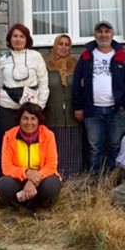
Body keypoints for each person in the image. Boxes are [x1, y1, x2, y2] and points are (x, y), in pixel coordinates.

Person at [72, 20, 125, 173]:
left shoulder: (122, 55)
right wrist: (78, 106)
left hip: (117, 110)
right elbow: (77, 82)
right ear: (95, 35)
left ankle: (114, 180)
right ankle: (95, 181)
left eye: (107, 31)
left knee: (116, 146)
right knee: (95, 147)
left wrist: (124, 103)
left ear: (112, 34)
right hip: (92, 110)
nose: (103, 35)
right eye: (100, 31)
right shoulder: (86, 55)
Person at [0, 102, 61, 211]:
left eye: (33, 118)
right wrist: (26, 173)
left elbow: (51, 166)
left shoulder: (48, 135)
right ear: (19, 120)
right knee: (5, 184)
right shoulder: (9, 136)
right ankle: (16, 207)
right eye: (25, 118)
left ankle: (41, 207)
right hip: (18, 179)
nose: (29, 123)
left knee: (52, 184)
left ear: (38, 121)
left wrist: (32, 181)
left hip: (41, 179)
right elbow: (6, 167)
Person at [0, 24, 49, 142]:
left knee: (31, 142)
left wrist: (40, 106)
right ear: (10, 39)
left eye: (22, 36)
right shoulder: (3, 59)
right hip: (7, 107)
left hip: (31, 107)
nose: (18, 39)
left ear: (27, 39)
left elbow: (43, 82)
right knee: (8, 141)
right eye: (15, 36)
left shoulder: (36, 57)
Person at [45, 34, 85, 178]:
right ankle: (56, 181)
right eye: (60, 44)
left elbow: (82, 88)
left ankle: (74, 182)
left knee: (74, 152)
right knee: (55, 152)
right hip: (52, 117)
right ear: (55, 46)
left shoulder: (76, 66)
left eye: (67, 45)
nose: (63, 47)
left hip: (73, 117)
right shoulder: (46, 66)